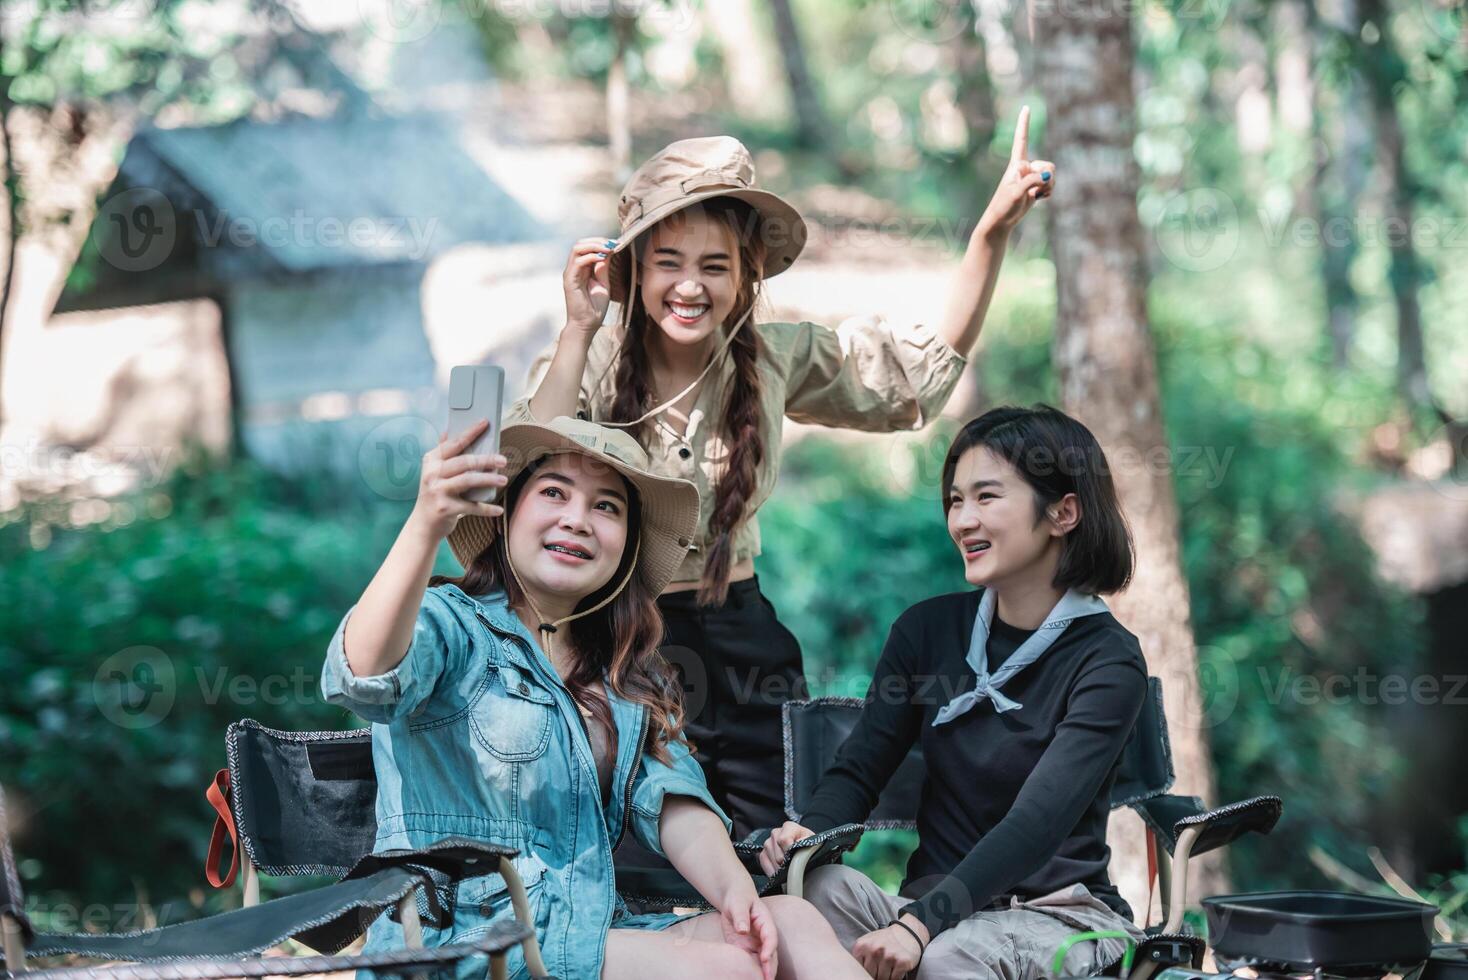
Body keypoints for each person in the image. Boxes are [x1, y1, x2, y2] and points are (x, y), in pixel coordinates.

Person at [510, 110, 1056, 839]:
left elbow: (909, 381)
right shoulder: (599, 358)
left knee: (778, 847)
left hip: (744, 644)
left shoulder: (774, 357)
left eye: (715, 265)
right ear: (634, 269)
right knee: (635, 855)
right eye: (668, 261)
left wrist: (992, 230)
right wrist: (578, 326)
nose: (690, 286)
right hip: (617, 637)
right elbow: (532, 464)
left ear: (748, 275)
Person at [321, 415, 869, 980]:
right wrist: (425, 524)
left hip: (592, 928)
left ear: (627, 545)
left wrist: (735, 892)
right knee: (728, 971)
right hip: (467, 944)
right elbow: (360, 675)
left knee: (792, 925)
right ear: (507, 512)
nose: (577, 519)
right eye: (554, 492)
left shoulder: (623, 673)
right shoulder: (448, 625)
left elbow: (672, 797)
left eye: (607, 506)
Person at [758, 406, 1149, 980]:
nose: (963, 520)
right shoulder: (928, 630)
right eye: (955, 500)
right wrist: (809, 835)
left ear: (1063, 512)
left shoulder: (1108, 659)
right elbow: (861, 768)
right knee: (812, 895)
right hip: (931, 912)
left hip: (1056, 915)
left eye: (987, 497)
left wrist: (919, 927)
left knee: (946, 958)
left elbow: (1036, 825)